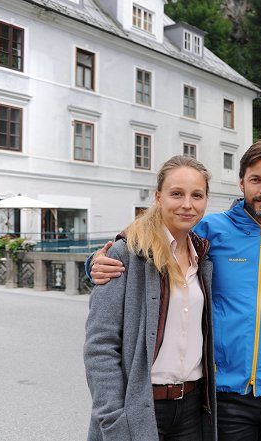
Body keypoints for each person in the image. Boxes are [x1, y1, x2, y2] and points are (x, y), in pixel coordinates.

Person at [88, 138, 261, 441]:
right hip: (226, 392)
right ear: (241, 183)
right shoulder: (210, 230)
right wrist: (94, 262)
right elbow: (151, 235)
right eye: (255, 179)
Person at [83, 155, 216, 441]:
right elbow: (100, 346)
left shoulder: (203, 257)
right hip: (142, 408)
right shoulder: (127, 254)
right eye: (176, 194)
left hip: (192, 408)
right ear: (158, 197)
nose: (187, 204)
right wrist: (113, 416)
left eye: (197, 195)